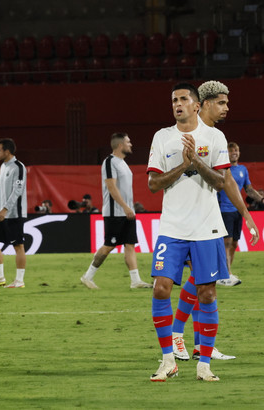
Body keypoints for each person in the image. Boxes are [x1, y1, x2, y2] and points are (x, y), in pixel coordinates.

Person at [171, 80, 259, 362]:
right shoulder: (185, 132)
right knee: (201, 280)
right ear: (205, 104)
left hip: (208, 218)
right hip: (187, 220)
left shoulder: (216, 136)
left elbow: (228, 180)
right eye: (221, 103)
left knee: (202, 282)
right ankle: (178, 337)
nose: (226, 108)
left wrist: (246, 215)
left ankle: (198, 345)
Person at [147, 83, 230, 382]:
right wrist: (184, 165)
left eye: (183, 99)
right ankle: (168, 360)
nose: (177, 104)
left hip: (206, 227)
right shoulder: (163, 137)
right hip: (172, 227)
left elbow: (220, 182)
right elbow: (154, 185)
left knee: (206, 294)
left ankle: (204, 364)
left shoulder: (213, 136)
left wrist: (196, 161)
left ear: (197, 105)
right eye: (173, 100)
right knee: (160, 288)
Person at [80, 132, 152, 290]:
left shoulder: (123, 163)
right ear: (120, 145)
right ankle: (87, 276)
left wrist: (129, 207)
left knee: (130, 245)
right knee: (108, 246)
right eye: (128, 142)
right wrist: (125, 207)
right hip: (115, 212)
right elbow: (111, 187)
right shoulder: (109, 162)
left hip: (127, 212)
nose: (131, 144)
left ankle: (135, 281)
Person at [0, 138, 27, 289]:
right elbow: (2, 193)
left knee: (18, 246)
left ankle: (19, 281)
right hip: (2, 213)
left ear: (7, 151)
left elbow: (18, 191)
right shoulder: (3, 167)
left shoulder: (18, 167)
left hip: (14, 214)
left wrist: (5, 209)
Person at [217, 142, 264, 285]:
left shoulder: (243, 169)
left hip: (238, 211)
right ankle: (225, 274)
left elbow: (248, 189)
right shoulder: (222, 169)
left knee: (235, 243)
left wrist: (261, 199)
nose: (234, 153)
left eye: (236, 150)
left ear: (239, 152)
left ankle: (228, 273)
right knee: (227, 242)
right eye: (231, 151)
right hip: (224, 210)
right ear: (226, 154)